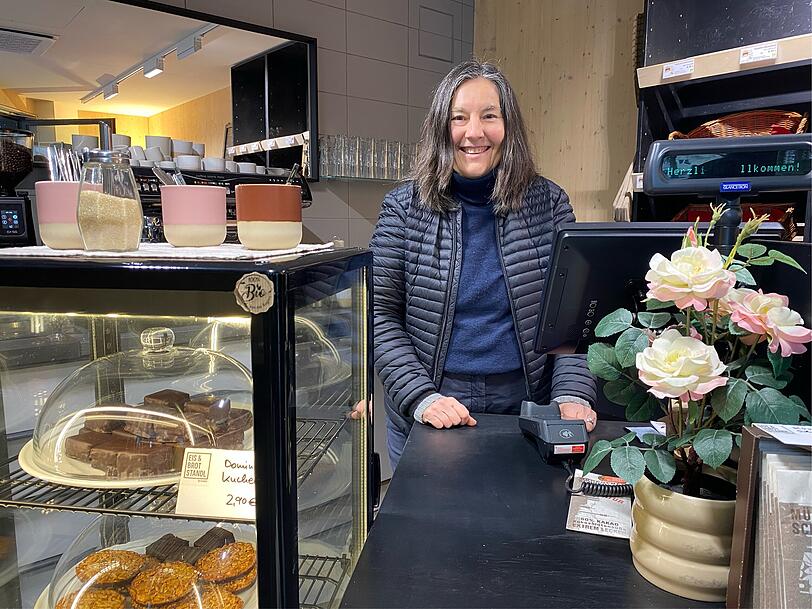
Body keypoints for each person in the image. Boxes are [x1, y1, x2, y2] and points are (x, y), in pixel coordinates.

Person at [371, 59, 598, 469]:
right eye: (459, 117)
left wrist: (572, 392)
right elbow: (380, 314)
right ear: (441, 128)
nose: (473, 132)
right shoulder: (404, 208)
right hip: (434, 396)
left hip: (526, 398)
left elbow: (573, 316)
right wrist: (420, 396)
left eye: (489, 116)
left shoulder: (549, 204)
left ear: (508, 126)